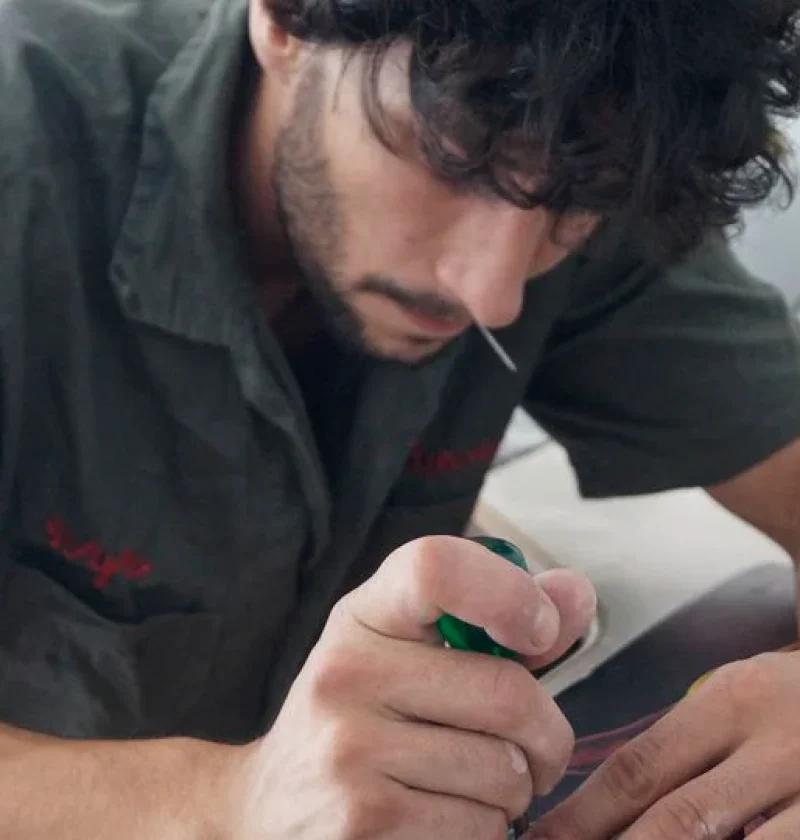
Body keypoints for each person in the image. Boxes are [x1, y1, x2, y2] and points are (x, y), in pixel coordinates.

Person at [1, 0, 800, 836]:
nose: (494, 291)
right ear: (283, 21)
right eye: (453, 157)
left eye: (578, 205)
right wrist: (221, 801)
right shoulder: (23, 156)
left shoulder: (584, 148)